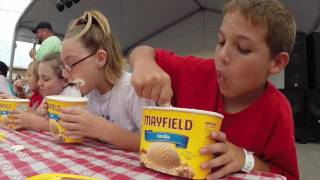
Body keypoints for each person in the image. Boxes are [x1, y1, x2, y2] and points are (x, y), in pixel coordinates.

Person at [129, 0, 299, 179]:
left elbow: (287, 175)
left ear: (277, 63)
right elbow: (142, 51)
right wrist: (143, 64)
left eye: (243, 49)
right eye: (221, 41)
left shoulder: (277, 110)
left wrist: (246, 159)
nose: (222, 55)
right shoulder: (198, 72)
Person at [59, 10, 154, 152]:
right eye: (64, 66)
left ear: (100, 58)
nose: (66, 74)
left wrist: (102, 129)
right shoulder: (88, 92)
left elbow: (153, 145)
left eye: (71, 64)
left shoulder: (132, 89)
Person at [9, 52, 81, 131]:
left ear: (65, 80)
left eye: (45, 79)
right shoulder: (49, 96)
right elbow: (37, 115)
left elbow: (71, 129)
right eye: (39, 78)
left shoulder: (72, 96)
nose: (39, 83)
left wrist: (39, 123)